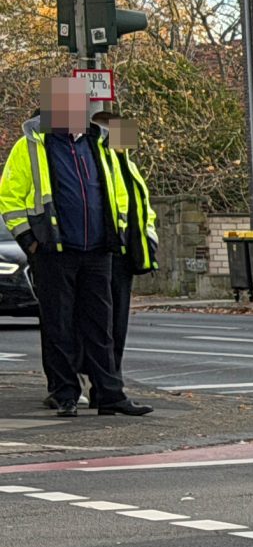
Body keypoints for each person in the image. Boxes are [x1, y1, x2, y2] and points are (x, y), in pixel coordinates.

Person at [0, 77, 150, 417]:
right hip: (55, 250)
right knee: (59, 325)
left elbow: (120, 193)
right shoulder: (32, 146)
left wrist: (122, 234)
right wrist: (30, 241)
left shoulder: (99, 143)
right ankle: (64, 393)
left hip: (98, 249)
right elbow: (9, 198)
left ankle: (109, 394)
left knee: (101, 326)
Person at [92, 110, 158, 369]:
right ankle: (97, 379)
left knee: (117, 323)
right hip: (102, 250)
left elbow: (142, 209)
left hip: (126, 254)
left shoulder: (128, 166)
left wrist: (148, 238)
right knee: (99, 322)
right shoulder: (99, 163)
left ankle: (111, 378)